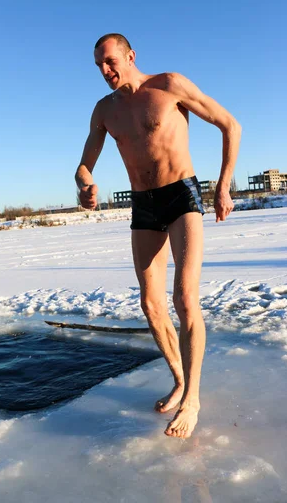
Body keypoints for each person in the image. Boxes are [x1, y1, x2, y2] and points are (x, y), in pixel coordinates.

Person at [75, 33, 241, 439]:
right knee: (151, 304)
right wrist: (84, 185)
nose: (105, 71)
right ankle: (180, 379)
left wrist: (223, 186)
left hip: (181, 195)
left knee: (184, 297)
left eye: (111, 61)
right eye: (99, 65)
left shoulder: (169, 86)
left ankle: (193, 400)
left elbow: (230, 125)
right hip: (143, 204)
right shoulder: (104, 111)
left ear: (130, 56)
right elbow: (84, 165)